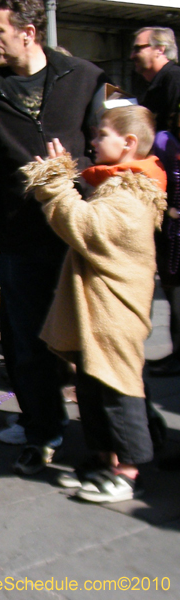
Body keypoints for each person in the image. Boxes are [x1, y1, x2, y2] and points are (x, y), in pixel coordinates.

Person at [0, 0, 107, 475]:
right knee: (26, 345)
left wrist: (72, 174)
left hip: (79, 233)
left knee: (91, 341)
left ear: (28, 32)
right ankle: (43, 431)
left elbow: (107, 151)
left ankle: (105, 442)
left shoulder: (84, 78)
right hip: (21, 238)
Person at [21, 105, 166, 502]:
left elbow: (85, 227)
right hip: (98, 311)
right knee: (91, 387)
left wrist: (54, 182)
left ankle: (129, 472)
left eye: (102, 134)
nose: (93, 142)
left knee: (118, 390)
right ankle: (103, 461)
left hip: (116, 313)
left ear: (129, 143)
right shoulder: (117, 185)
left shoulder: (132, 193)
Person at [131, 27, 180, 377]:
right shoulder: (157, 85)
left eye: (139, 48)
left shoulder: (173, 81)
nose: (133, 54)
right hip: (165, 192)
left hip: (175, 194)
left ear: (160, 49)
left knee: (176, 273)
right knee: (172, 275)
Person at [132, 27, 180, 134]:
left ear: (159, 50)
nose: (132, 56)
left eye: (137, 49)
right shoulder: (153, 84)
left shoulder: (174, 79)